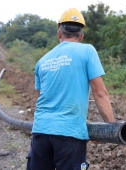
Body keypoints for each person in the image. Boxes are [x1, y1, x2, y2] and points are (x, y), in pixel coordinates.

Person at [26, 8, 115, 170]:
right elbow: (100, 93)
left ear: (59, 33)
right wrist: (110, 129)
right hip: (69, 134)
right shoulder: (87, 51)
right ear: (81, 36)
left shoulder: (42, 61)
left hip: (40, 132)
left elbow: (40, 99)